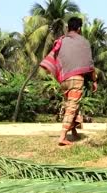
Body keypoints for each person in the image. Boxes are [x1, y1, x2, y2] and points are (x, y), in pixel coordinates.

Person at [40, 17, 97, 146]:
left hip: (63, 79)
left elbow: (59, 58)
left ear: (67, 28)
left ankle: (74, 132)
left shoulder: (61, 41)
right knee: (72, 106)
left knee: (70, 104)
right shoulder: (84, 42)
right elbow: (90, 64)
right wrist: (94, 81)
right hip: (76, 79)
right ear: (79, 29)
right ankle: (62, 136)